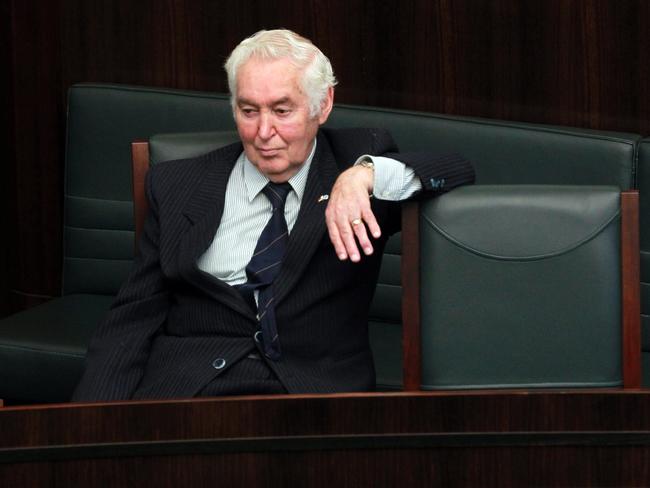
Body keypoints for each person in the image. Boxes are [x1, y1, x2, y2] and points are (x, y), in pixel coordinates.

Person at [72, 29, 474, 401]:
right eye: (249, 111)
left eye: (282, 111)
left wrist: (363, 175)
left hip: (313, 394)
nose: (264, 132)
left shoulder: (356, 161)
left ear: (323, 105)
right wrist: (88, 427)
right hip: (191, 391)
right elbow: (132, 318)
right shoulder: (177, 184)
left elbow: (455, 168)